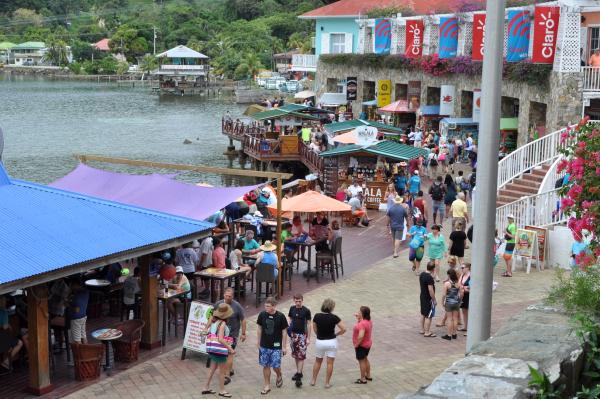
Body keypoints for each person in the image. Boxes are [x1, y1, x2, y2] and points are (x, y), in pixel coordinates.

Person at [311, 298, 346, 388]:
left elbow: (314, 327)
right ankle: (327, 383)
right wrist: (336, 334)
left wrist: (318, 334)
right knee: (330, 363)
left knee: (318, 361)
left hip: (320, 342)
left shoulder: (317, 316)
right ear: (332, 307)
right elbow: (344, 329)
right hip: (331, 342)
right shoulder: (334, 317)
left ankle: (313, 380)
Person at [257, 297, 289, 395]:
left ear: (274, 306)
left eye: (268, 306)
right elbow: (259, 328)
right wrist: (258, 342)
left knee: (275, 365)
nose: (266, 308)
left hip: (276, 346)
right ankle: (267, 385)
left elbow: (284, 331)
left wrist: (284, 346)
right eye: (265, 305)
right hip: (264, 345)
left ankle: (279, 375)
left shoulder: (281, 316)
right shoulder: (262, 315)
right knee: (266, 365)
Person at [215, 288, 246, 385]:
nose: (228, 298)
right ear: (223, 295)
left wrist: (243, 333)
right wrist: (207, 328)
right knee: (223, 354)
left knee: (229, 354)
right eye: (226, 295)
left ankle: (227, 376)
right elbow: (213, 316)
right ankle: (230, 369)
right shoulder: (218, 304)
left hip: (232, 335)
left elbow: (243, 320)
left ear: (233, 296)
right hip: (220, 333)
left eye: (230, 296)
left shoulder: (237, 306)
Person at [203, 303, 235, 397]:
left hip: (213, 349)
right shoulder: (222, 323)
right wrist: (230, 349)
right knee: (222, 371)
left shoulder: (214, 321)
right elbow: (221, 339)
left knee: (212, 369)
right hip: (220, 351)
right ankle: (222, 390)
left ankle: (206, 387)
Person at [287, 294, 312, 387]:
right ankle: (299, 372)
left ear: (302, 300)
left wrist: (308, 338)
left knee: (301, 355)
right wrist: (289, 323)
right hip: (293, 335)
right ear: (294, 300)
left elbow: (309, 324)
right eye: (296, 301)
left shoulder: (306, 311)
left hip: (302, 336)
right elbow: (289, 317)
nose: (298, 303)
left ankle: (298, 375)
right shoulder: (292, 308)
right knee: (296, 355)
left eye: (299, 301)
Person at [352, 306, 373, 385]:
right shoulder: (369, 321)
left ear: (363, 314)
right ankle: (368, 375)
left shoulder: (362, 324)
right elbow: (363, 324)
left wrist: (356, 344)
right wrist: (358, 319)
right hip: (368, 344)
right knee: (365, 359)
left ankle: (362, 379)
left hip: (361, 346)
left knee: (361, 361)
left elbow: (361, 336)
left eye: (359, 312)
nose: (358, 312)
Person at [441, 268, 461, 340]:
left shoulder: (447, 284)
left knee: (449, 319)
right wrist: (459, 301)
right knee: (455, 318)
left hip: (449, 303)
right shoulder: (458, 283)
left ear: (449, 275)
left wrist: (442, 302)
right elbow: (461, 293)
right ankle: (454, 334)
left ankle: (449, 335)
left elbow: (444, 294)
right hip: (456, 303)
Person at [68, 278, 89, 344]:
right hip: (83, 316)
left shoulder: (76, 297)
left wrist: (68, 305)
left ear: (76, 285)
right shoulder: (86, 291)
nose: (70, 287)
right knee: (83, 336)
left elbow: (76, 309)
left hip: (76, 319)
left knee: (77, 339)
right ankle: (86, 350)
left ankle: (79, 353)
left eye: (71, 285)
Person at [419, 261, 437, 338]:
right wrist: (434, 300)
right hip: (428, 298)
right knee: (428, 316)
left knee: (423, 314)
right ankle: (427, 332)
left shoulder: (422, 274)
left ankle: (422, 329)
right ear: (433, 269)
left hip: (422, 296)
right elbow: (430, 290)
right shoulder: (429, 278)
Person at [459, 263, 471, 335]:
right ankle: (465, 326)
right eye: (461, 267)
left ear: (468, 268)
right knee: (464, 311)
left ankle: (470, 329)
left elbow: (472, 287)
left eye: (463, 267)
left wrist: (464, 288)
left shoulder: (472, 275)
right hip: (463, 295)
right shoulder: (462, 275)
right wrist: (464, 287)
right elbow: (459, 284)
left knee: (470, 312)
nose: (462, 269)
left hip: (469, 296)